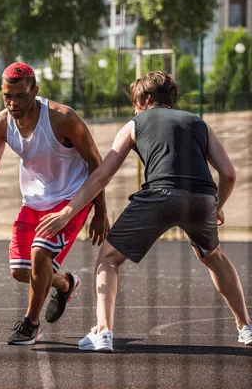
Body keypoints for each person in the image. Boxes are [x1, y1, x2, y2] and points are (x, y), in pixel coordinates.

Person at [36, 71, 252, 352]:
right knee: (214, 257)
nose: (134, 108)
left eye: (136, 102)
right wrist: (216, 207)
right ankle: (245, 328)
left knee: (108, 259)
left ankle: (103, 332)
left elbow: (102, 176)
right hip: (201, 198)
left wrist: (68, 211)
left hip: (160, 195)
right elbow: (229, 174)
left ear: (146, 99)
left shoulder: (135, 124)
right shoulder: (200, 123)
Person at [0, 62, 109, 345]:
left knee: (40, 254)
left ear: (34, 91)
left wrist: (100, 212)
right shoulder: (1, 124)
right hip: (34, 200)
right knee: (21, 271)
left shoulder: (63, 118)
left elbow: (97, 165)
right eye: (7, 96)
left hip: (72, 198)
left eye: (20, 96)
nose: (13, 103)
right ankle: (65, 283)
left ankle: (30, 324)